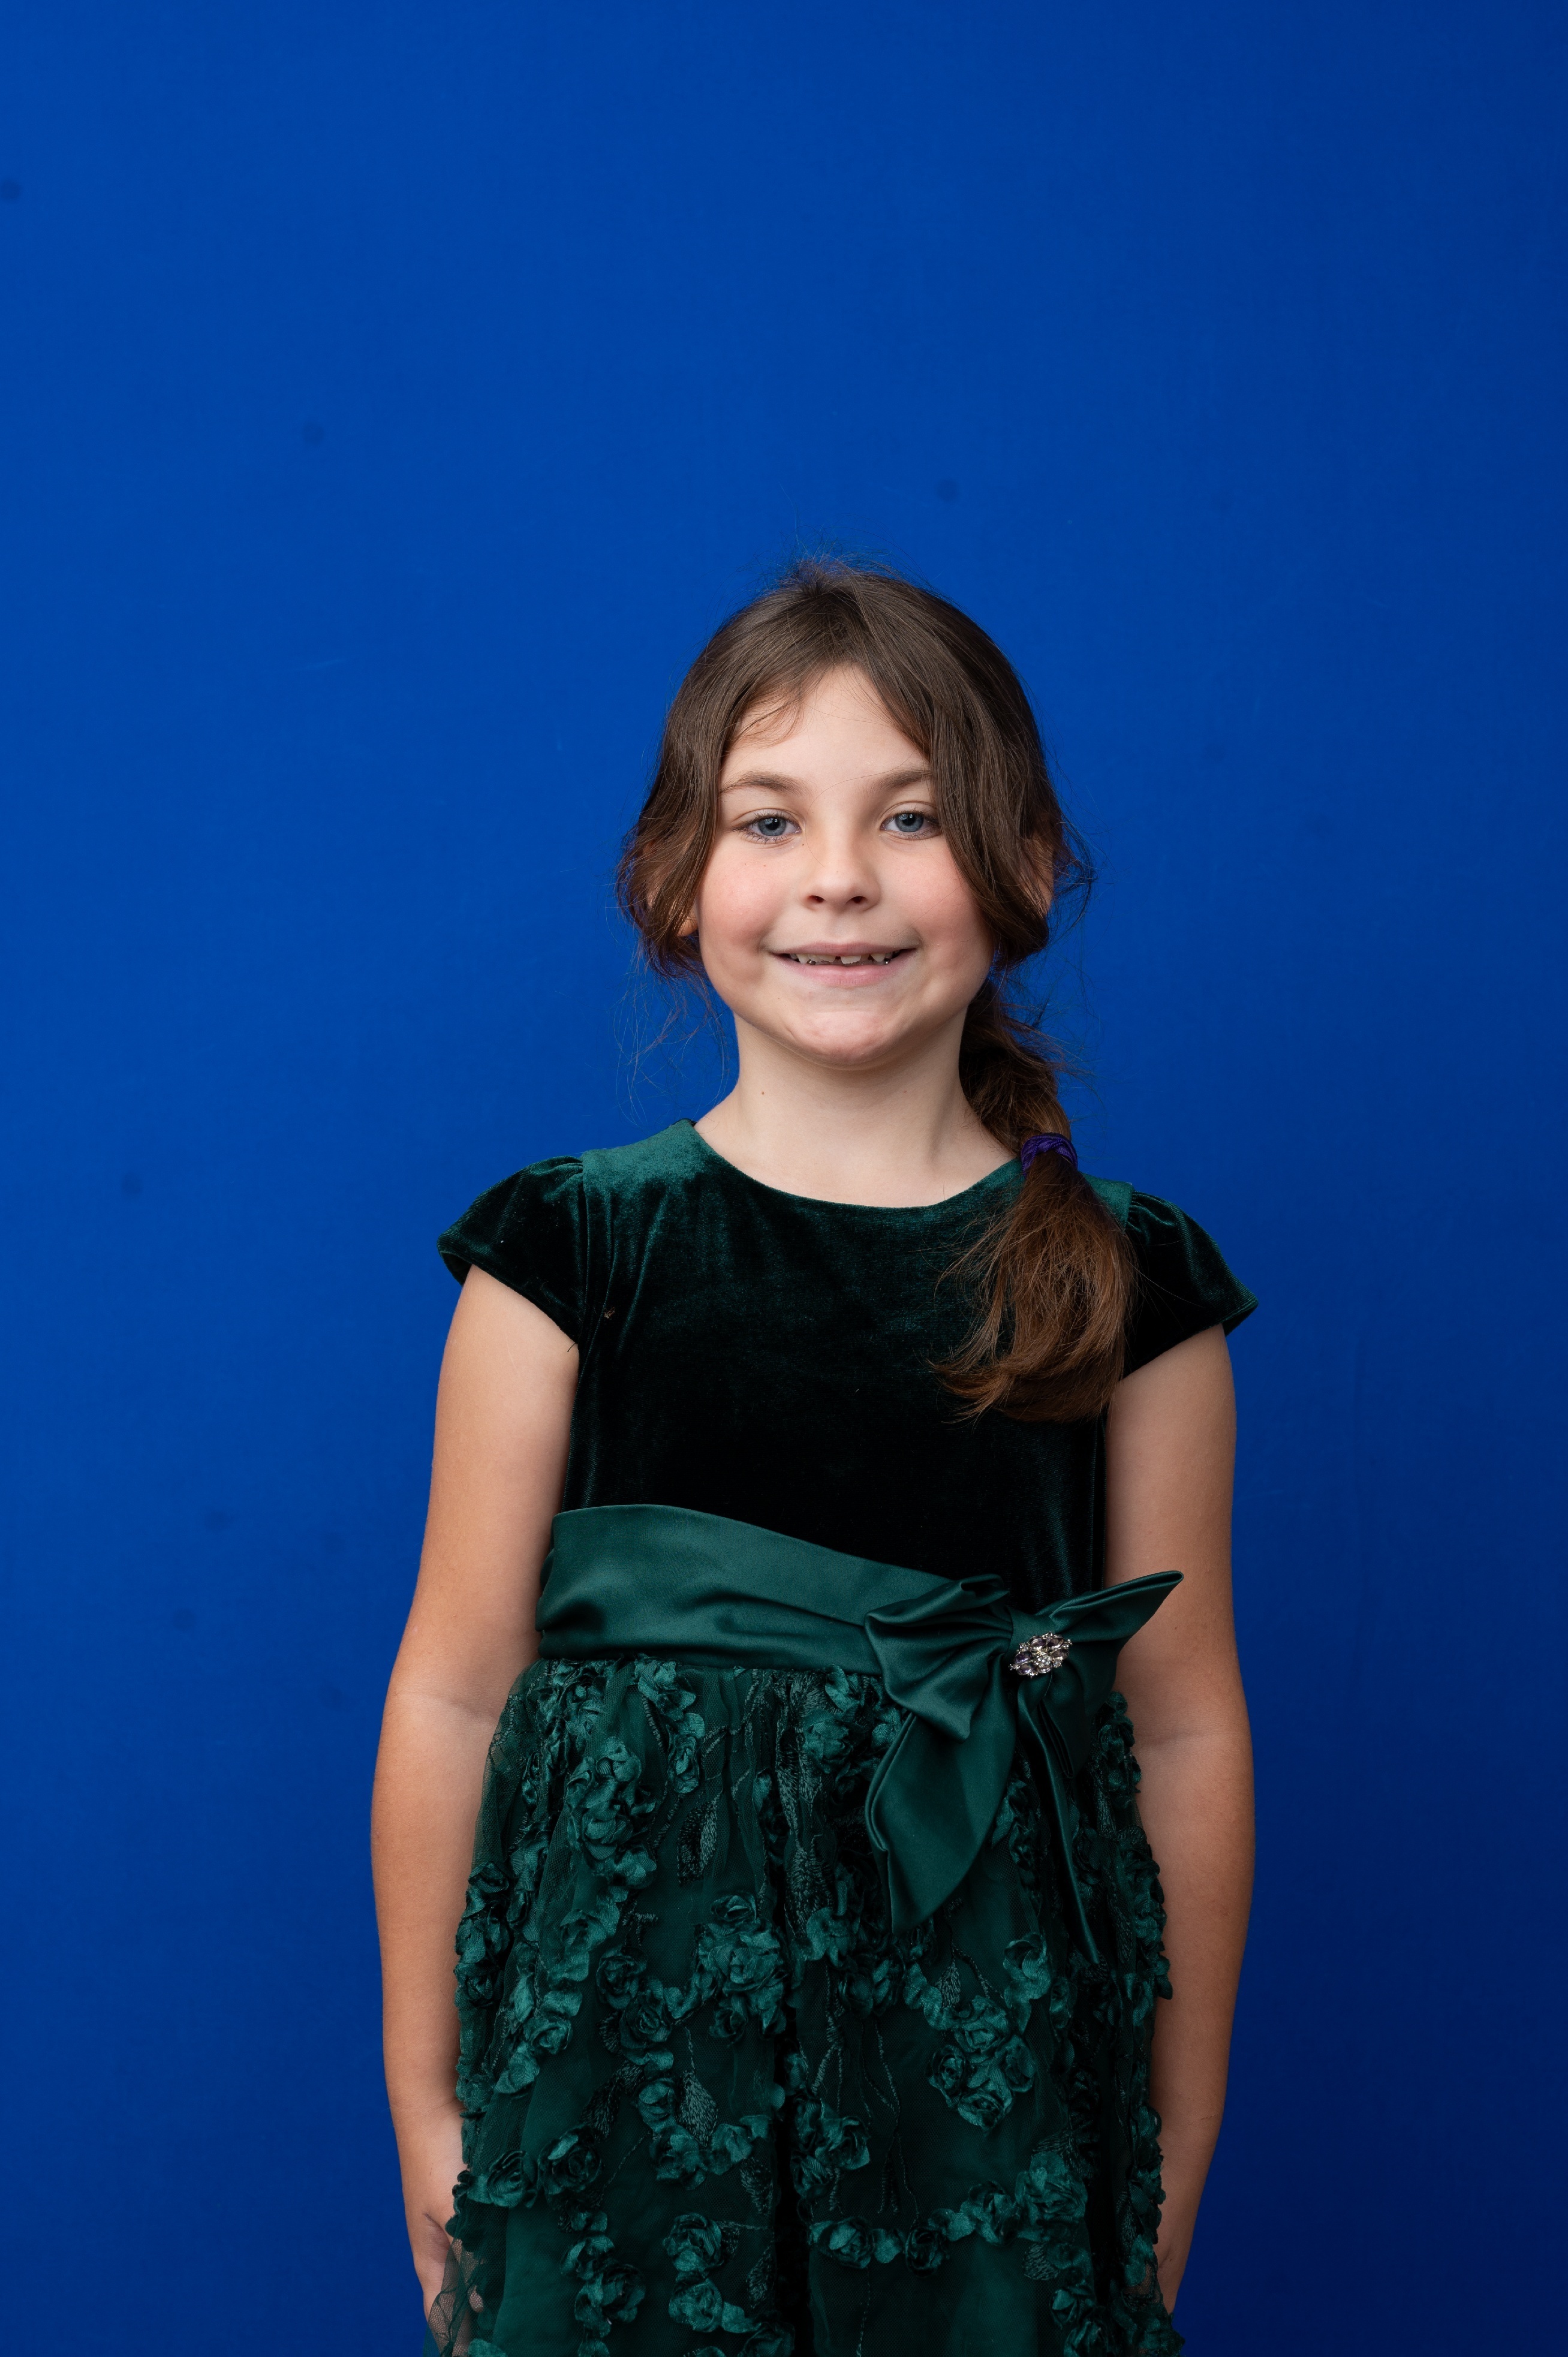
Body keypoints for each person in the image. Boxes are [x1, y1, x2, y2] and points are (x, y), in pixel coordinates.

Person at [372, 560, 1256, 2357]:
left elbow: (1182, 1727)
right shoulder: (568, 1256)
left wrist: (1169, 2150)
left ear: (1023, 869)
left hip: (993, 2100)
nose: (839, 874)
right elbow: (454, 1694)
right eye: (769, 819)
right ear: (670, 878)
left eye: (911, 817)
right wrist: (428, 2108)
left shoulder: (1131, 1287)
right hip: (623, 2093)